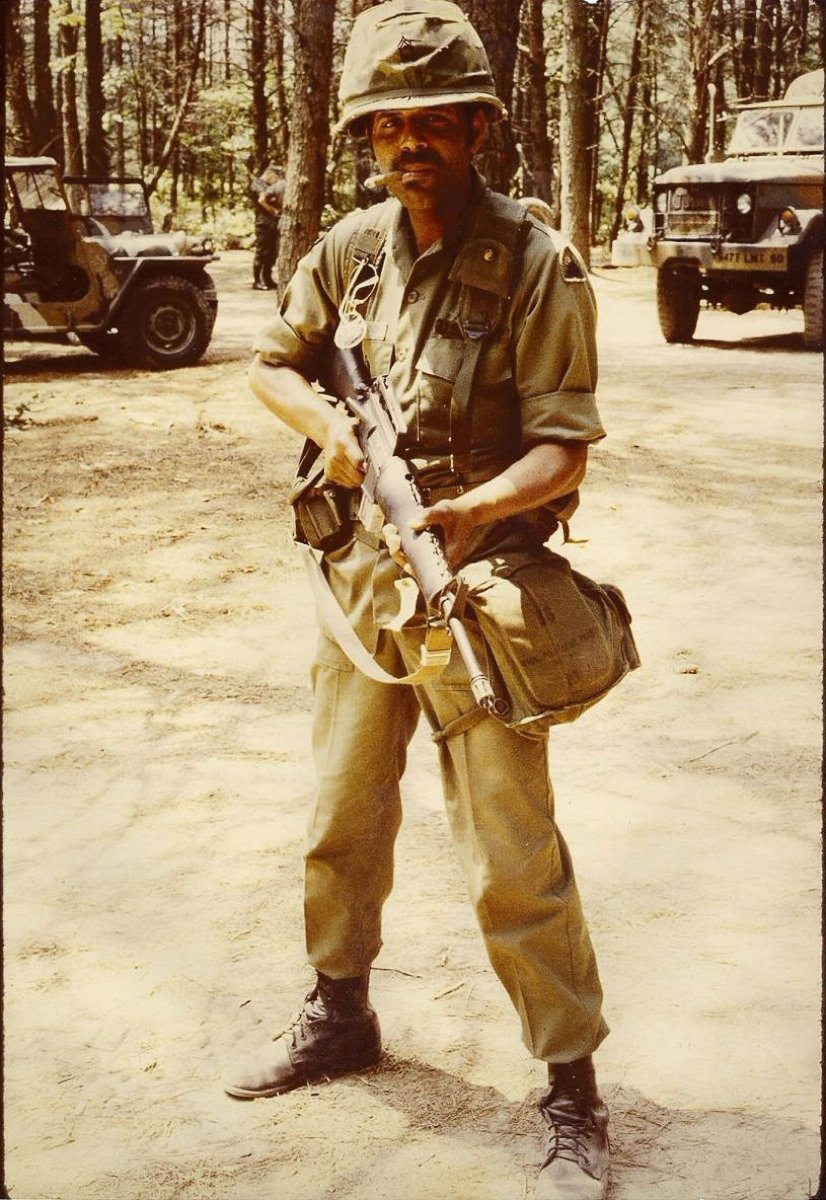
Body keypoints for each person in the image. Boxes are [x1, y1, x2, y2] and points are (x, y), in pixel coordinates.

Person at [227, 4, 635, 1197]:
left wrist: (466, 513)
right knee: (342, 815)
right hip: (358, 579)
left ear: (476, 126)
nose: (409, 143)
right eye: (385, 124)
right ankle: (340, 1013)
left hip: (476, 585)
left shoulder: (536, 261)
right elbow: (274, 361)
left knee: (510, 846)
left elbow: (564, 449)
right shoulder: (348, 250)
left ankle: (570, 1085)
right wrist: (333, 439)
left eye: (432, 122)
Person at [249, 162, 283, 290]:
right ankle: (257, 281)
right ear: (269, 173)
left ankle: (267, 279)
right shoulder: (257, 184)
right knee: (262, 252)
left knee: (272, 253)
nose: (275, 181)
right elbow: (263, 200)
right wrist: (273, 210)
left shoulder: (269, 186)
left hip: (273, 223)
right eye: (275, 177)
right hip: (263, 223)